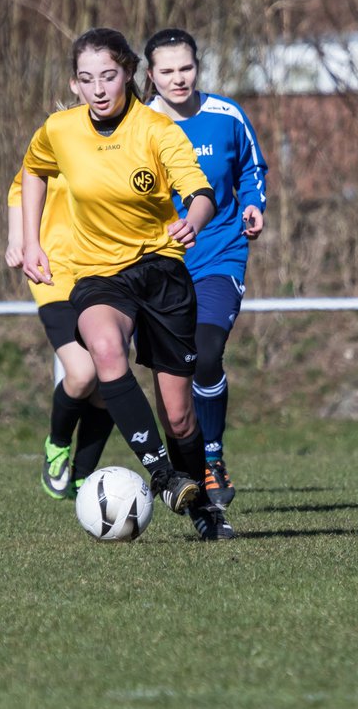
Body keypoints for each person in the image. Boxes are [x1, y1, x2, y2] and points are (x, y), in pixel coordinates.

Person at [20, 27, 233, 540]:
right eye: (86, 79)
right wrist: (31, 240)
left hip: (160, 270)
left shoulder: (156, 131)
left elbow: (200, 192)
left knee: (180, 418)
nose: (98, 89)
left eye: (108, 77)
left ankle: (204, 510)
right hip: (97, 274)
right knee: (104, 348)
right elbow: (33, 171)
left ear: (128, 75)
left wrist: (195, 220)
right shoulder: (59, 130)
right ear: (74, 84)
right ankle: (162, 477)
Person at [143, 28, 268, 509]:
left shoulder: (226, 115)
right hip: (157, 266)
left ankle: (212, 459)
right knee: (172, 374)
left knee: (207, 351)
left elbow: (252, 171)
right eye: (167, 71)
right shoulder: (139, 125)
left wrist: (254, 205)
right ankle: (182, 468)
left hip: (220, 253)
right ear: (150, 75)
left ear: (199, 66)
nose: (179, 79)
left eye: (187, 68)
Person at [5, 169, 114, 500]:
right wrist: (16, 239)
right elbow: (19, 191)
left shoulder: (116, 144)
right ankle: (57, 445)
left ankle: (83, 475)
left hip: (106, 274)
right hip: (53, 276)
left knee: (110, 380)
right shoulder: (51, 142)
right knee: (83, 374)